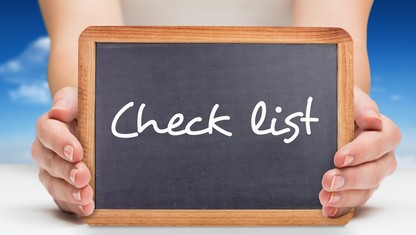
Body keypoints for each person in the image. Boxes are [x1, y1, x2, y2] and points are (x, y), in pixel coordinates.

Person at [32, 0, 401, 218]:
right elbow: (84, 49)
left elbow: (330, 49)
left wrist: (349, 127)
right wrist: (75, 123)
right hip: (128, 186)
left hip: (294, 185)